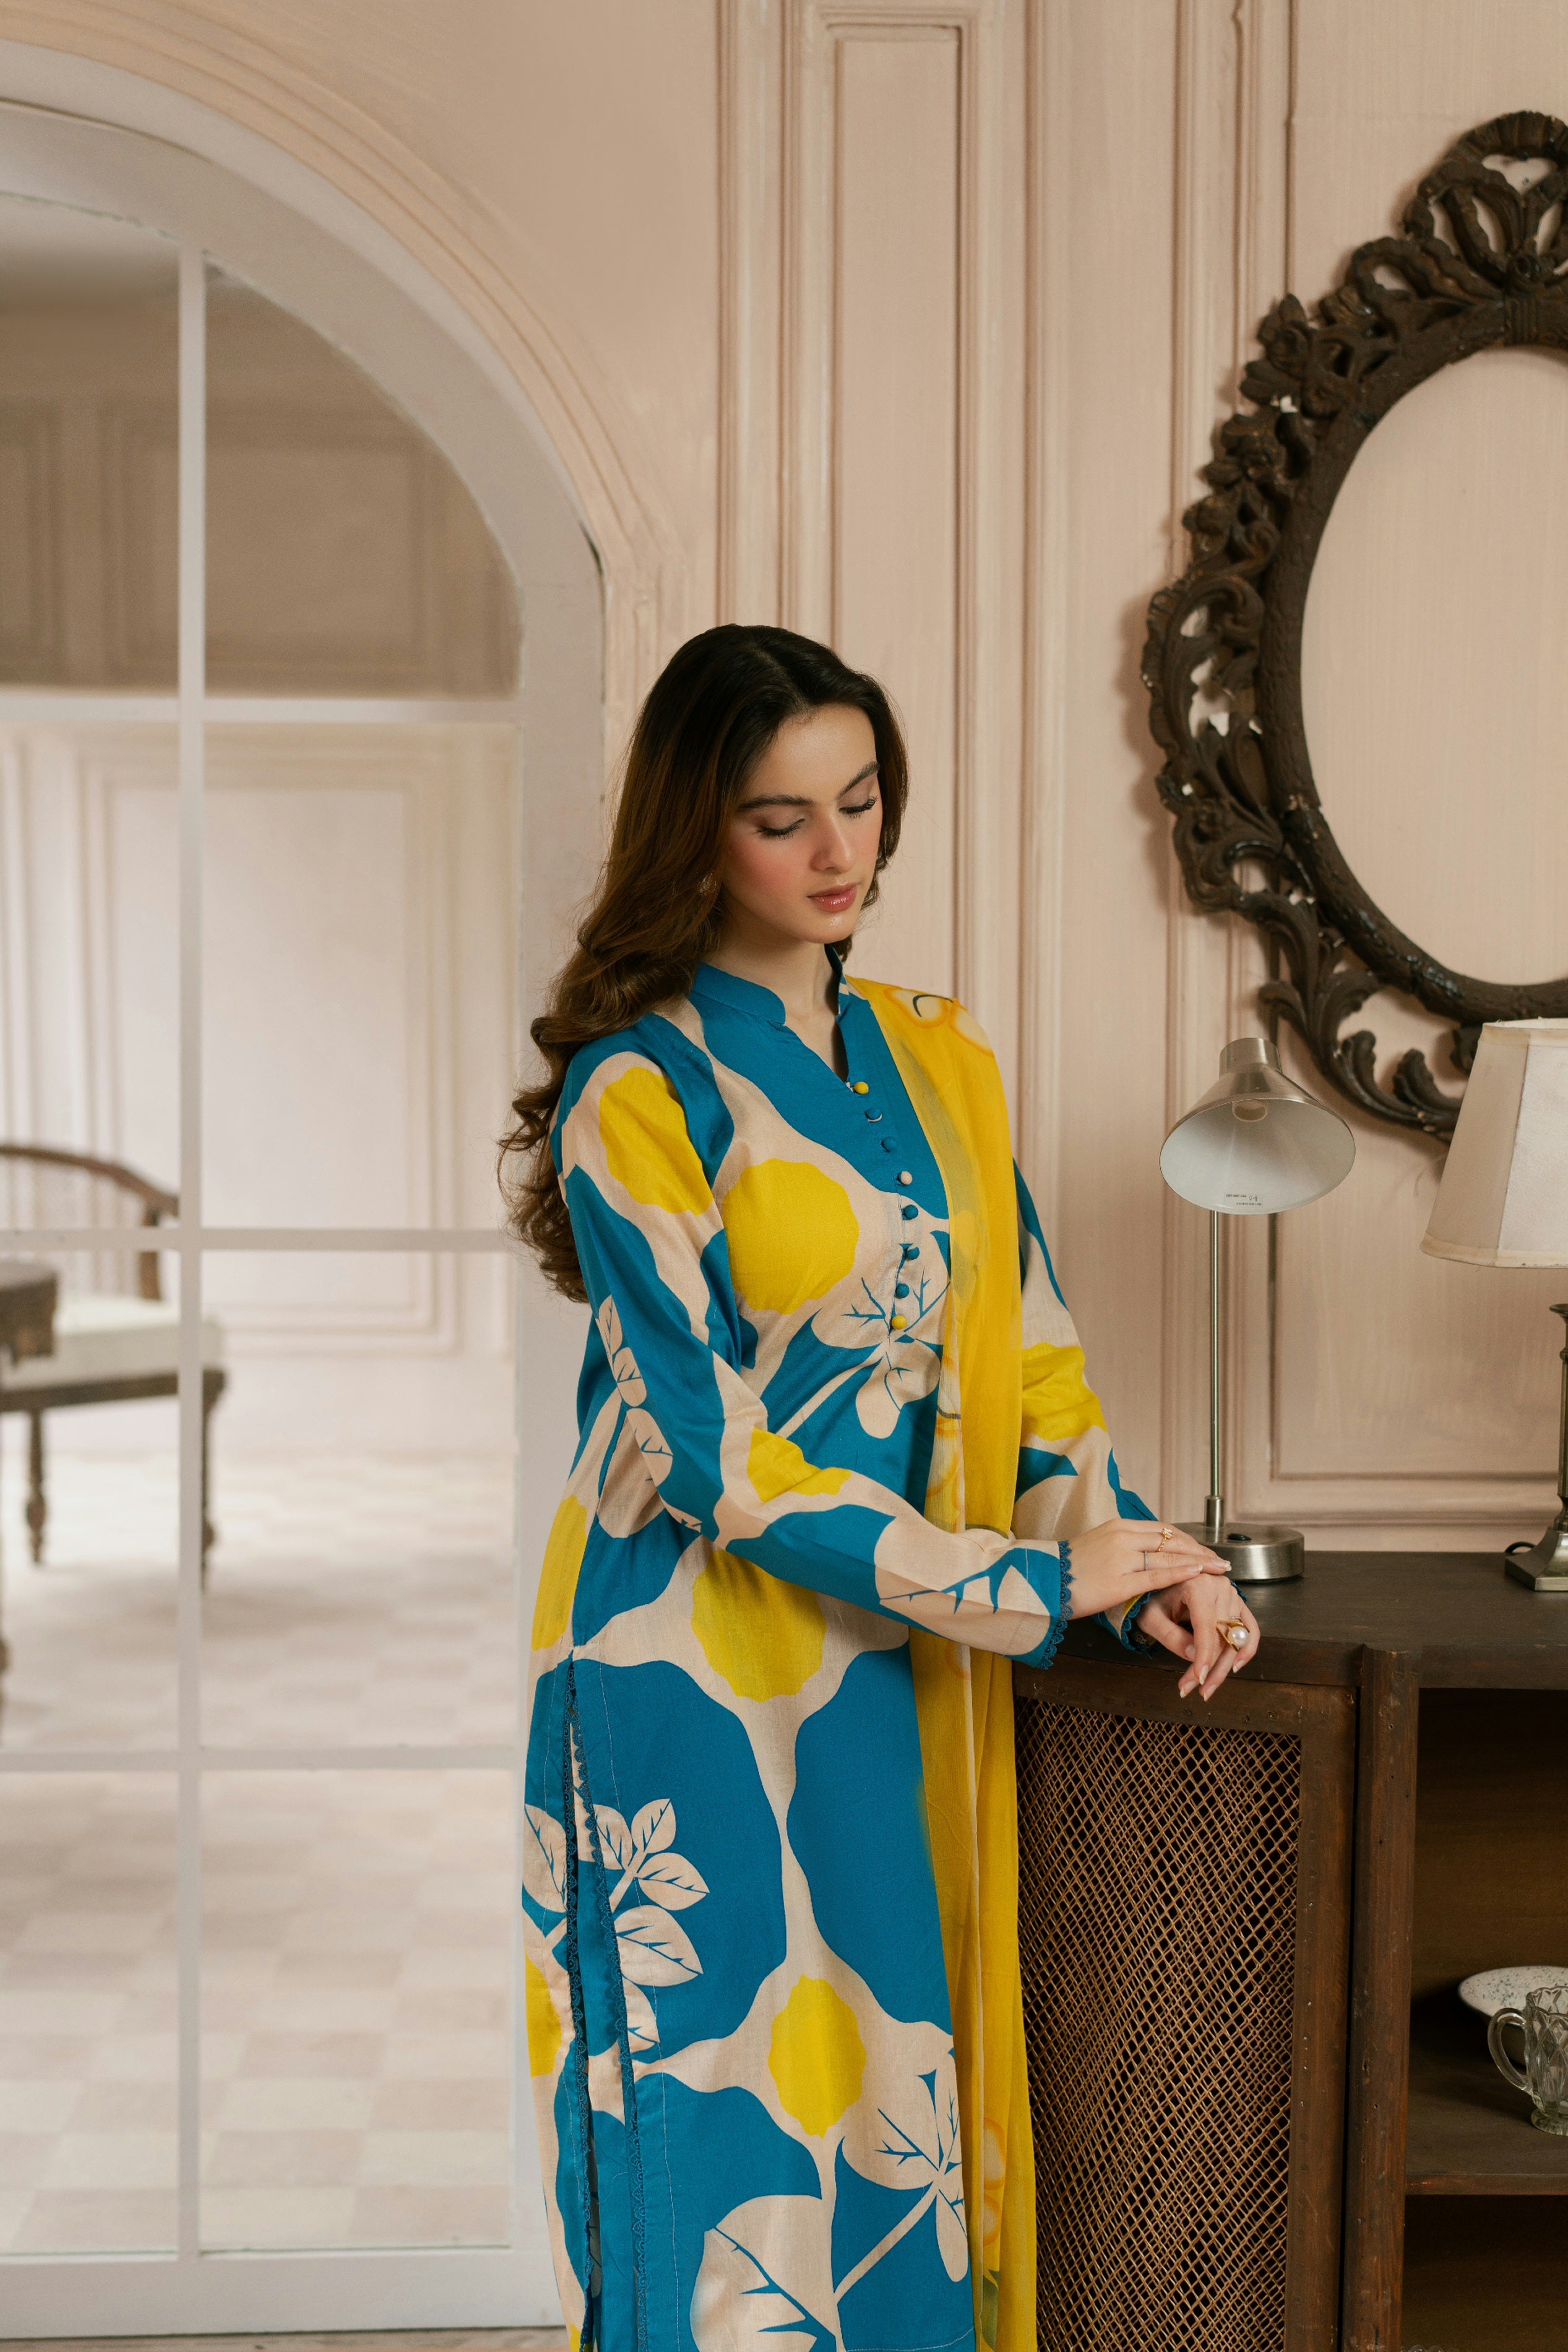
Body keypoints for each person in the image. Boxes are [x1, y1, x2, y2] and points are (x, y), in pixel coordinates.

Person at [502, 624, 1259, 2352]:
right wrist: (1023, 1586)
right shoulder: (640, 1087)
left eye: (859, 801)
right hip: (689, 1663)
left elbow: (1030, 1357)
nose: (837, 852)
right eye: (781, 819)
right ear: (696, 831)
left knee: (903, 2107)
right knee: (733, 2120)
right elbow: (710, 1455)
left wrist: (1145, 1558)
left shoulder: (937, 1058)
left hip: (901, 1647)